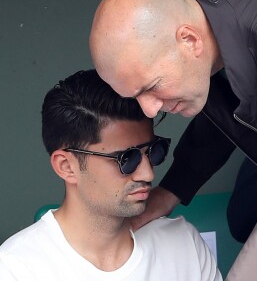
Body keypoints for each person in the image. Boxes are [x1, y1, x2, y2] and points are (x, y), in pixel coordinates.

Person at [89, 0, 257, 281]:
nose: (150, 111)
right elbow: (225, 100)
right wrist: (172, 190)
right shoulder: (187, 8)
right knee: (243, 220)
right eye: (136, 95)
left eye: (151, 86)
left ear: (189, 41)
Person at [0, 69, 222, 281]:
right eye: (126, 159)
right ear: (66, 166)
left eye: (154, 151)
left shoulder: (183, 243)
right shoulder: (16, 269)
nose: (147, 173)